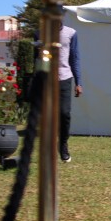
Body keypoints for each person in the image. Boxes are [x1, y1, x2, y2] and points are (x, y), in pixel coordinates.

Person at [33, 25, 83, 162]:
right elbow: (35, 59)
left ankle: (63, 144)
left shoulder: (71, 33)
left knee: (64, 113)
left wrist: (79, 82)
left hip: (64, 78)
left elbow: (74, 58)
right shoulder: (39, 33)